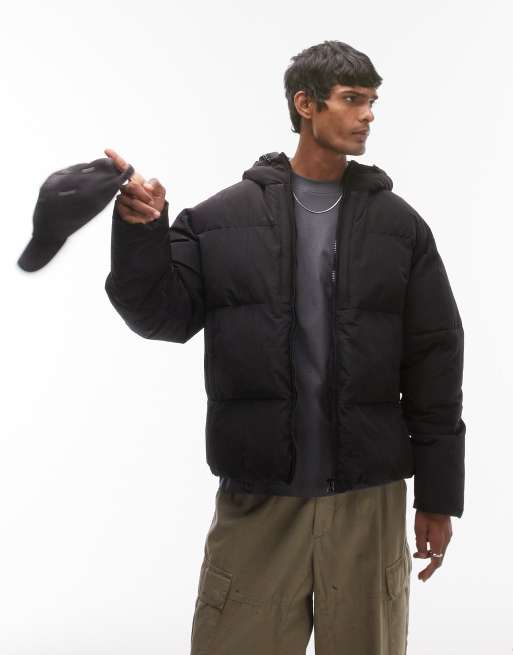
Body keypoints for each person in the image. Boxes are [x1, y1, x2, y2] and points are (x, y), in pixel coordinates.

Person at [104, 39, 465, 654]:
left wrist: (437, 495)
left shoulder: (400, 228)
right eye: (352, 100)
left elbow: (435, 361)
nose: (367, 115)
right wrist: (143, 234)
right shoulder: (219, 220)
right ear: (305, 104)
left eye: (372, 102)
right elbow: (160, 316)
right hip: (260, 500)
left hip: (368, 503)